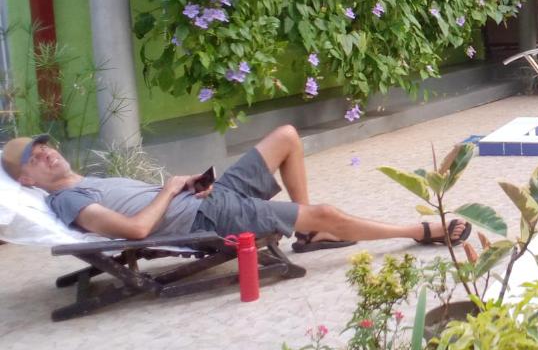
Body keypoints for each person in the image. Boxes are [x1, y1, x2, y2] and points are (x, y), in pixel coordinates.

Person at [1, 126, 470, 253]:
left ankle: (306, 233)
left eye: (41, 146)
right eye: (32, 158)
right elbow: (137, 229)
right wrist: (170, 190)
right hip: (206, 219)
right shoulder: (68, 200)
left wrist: (186, 184)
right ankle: (418, 230)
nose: (44, 153)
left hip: (205, 197)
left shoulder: (89, 179)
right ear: (25, 180)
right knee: (327, 211)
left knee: (286, 136)